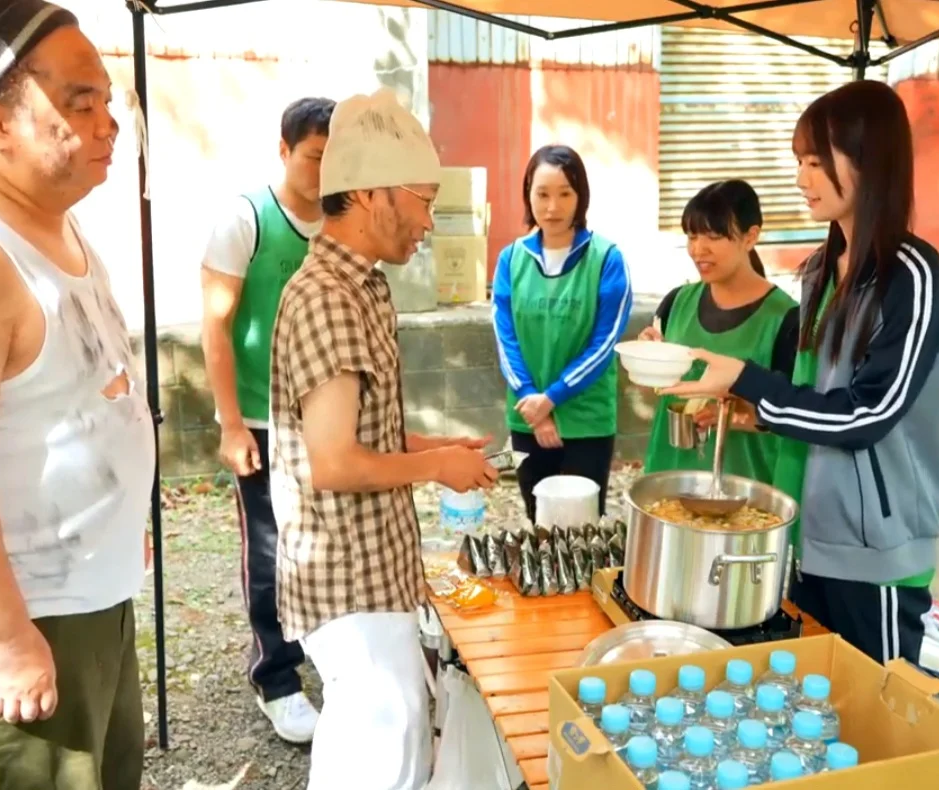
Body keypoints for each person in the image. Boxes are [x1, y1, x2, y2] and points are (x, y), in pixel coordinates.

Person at [0, 1, 155, 786]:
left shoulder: (49, 215)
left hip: (89, 596)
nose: (108, 123)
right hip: (36, 617)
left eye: (107, 101)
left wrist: (121, 522)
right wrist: (9, 639)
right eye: (80, 104)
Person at [660, 80, 939, 666]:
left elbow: (868, 413)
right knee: (814, 699)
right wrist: (754, 415)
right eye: (800, 160)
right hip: (803, 534)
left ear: (870, 161)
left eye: (818, 162)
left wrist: (746, 378)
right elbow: (815, 398)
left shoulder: (912, 275)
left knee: (880, 704)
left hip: (877, 553)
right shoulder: (820, 269)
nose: (801, 177)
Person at [268, 87, 499, 790]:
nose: (429, 221)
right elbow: (334, 462)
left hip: (375, 564)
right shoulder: (326, 297)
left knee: (395, 746)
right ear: (370, 195)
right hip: (347, 580)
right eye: (423, 200)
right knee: (375, 759)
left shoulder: (365, 286)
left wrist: (433, 447)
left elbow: (364, 428)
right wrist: (433, 467)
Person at [199, 95, 334, 743]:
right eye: (313, 157)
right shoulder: (245, 220)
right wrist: (230, 422)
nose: (324, 172)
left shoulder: (342, 222)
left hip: (326, 418)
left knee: (325, 545)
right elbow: (216, 327)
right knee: (270, 550)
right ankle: (275, 677)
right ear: (283, 151)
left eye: (335, 159)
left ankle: (325, 655)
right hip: (260, 418)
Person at [492, 144, 632, 524]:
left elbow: (604, 344)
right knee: (539, 521)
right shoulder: (511, 259)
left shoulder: (607, 259)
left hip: (586, 420)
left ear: (580, 196)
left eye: (565, 194)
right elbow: (506, 340)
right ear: (528, 195)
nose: (552, 207)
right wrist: (534, 406)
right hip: (526, 415)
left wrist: (552, 398)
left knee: (581, 528)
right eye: (542, 194)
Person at [641, 180, 799, 483]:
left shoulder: (787, 320)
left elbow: (794, 416)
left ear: (750, 237)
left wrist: (727, 414)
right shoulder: (676, 302)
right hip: (667, 478)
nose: (698, 249)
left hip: (743, 489)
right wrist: (648, 360)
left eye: (714, 237)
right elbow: (657, 393)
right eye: (692, 236)